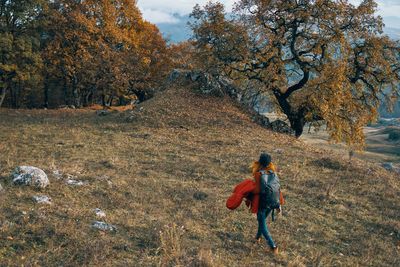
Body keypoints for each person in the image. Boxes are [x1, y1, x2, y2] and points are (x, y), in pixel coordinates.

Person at [250, 152, 281, 254]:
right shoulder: (274, 173)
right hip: (273, 202)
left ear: (260, 162)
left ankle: (273, 246)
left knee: (262, 224)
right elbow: (278, 189)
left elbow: (257, 190)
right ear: (269, 163)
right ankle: (257, 238)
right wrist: (279, 205)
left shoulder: (259, 174)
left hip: (262, 202)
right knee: (261, 221)